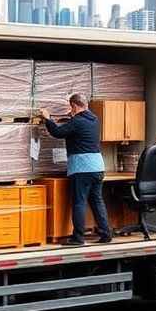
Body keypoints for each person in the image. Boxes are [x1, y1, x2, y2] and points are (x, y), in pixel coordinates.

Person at [40, 93, 111, 245]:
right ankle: (106, 234)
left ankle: (78, 238)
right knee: (97, 201)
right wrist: (71, 117)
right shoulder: (94, 119)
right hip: (98, 167)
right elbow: (77, 130)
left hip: (82, 168)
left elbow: (57, 133)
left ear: (74, 106)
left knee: (79, 202)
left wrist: (47, 118)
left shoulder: (77, 122)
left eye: (71, 107)